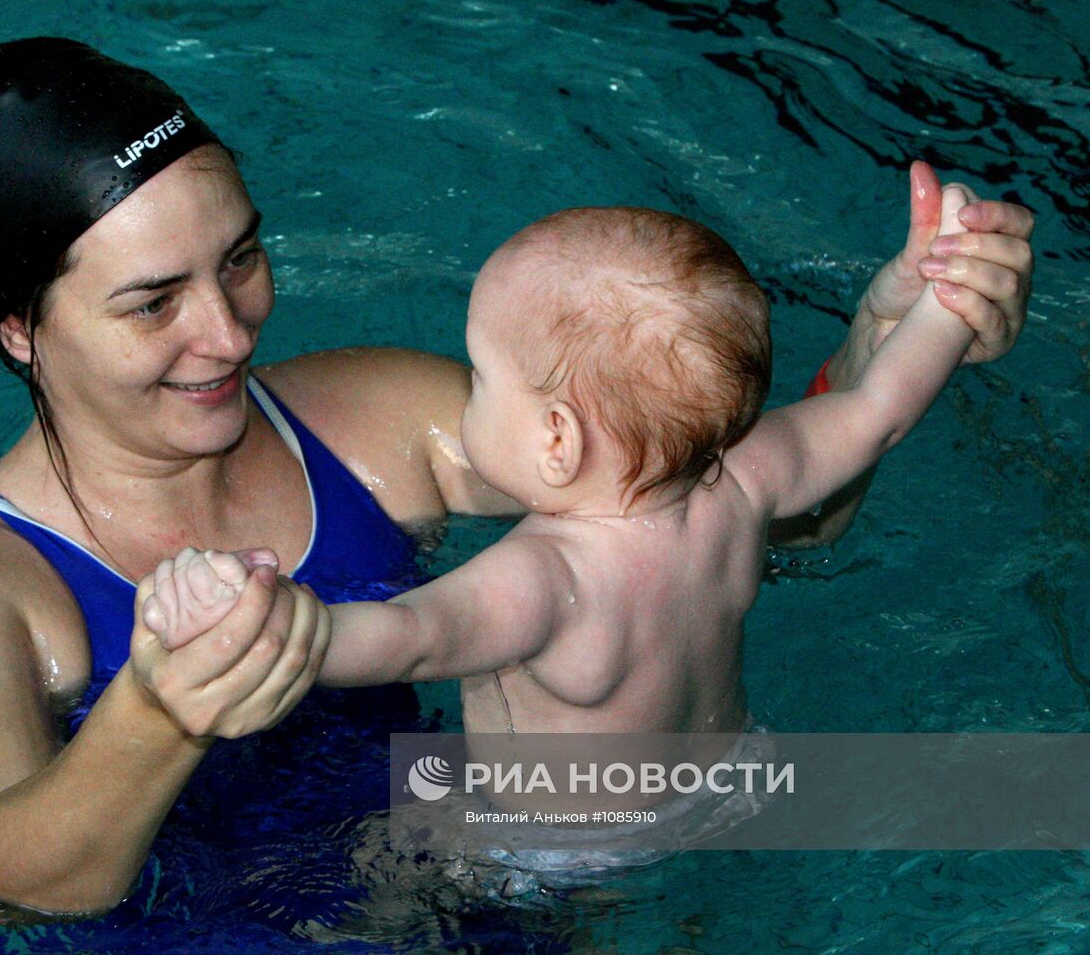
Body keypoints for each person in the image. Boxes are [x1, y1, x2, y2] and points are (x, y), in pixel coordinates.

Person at [0, 36, 1034, 922]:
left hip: (503, 890)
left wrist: (876, 345)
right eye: (153, 302)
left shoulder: (376, 422)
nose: (228, 332)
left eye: (242, 259)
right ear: (20, 327)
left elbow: (706, 509)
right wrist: (156, 710)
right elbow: (18, 880)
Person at [145, 192, 978, 883]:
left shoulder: (546, 577)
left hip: (563, 842)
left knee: (376, 869)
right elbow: (877, 414)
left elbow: (406, 638)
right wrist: (946, 300)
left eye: (479, 377)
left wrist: (256, 618)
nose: (464, 394)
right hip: (729, 781)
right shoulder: (745, 479)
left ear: (556, 439)